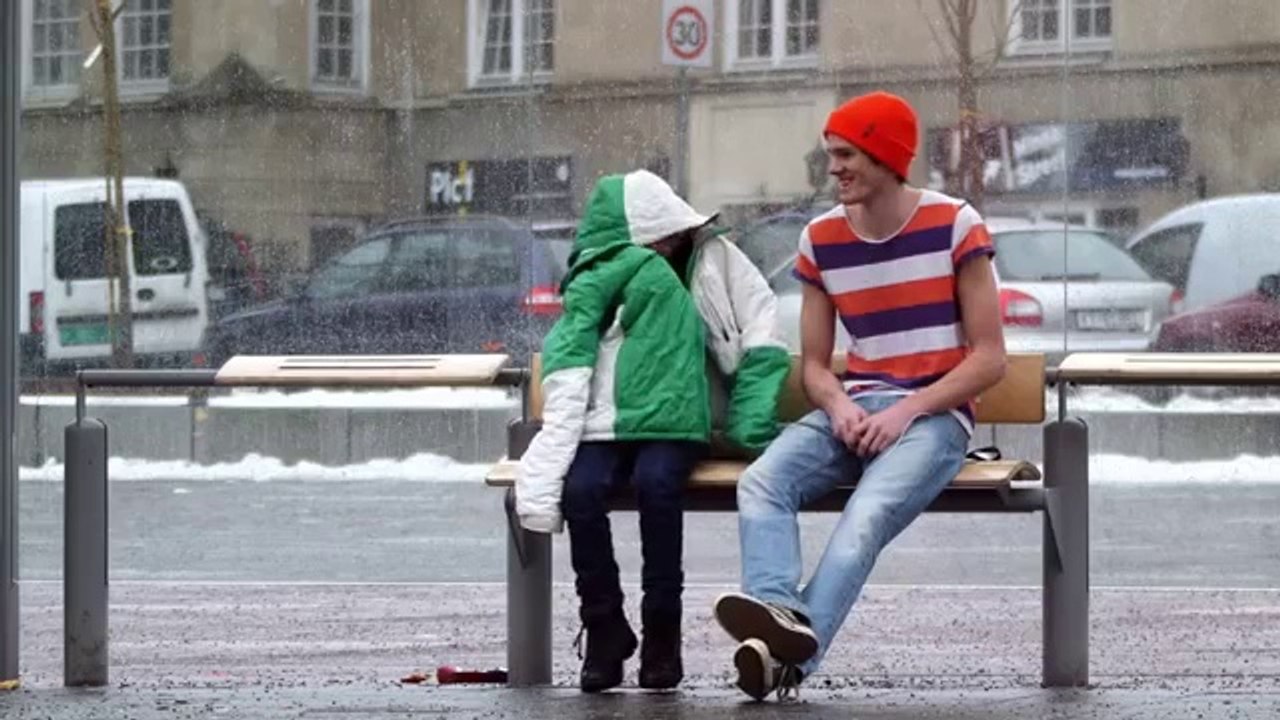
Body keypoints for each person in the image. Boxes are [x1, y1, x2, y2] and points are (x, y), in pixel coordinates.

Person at [712, 91, 1008, 701]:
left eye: (847, 155)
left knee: (864, 515)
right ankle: (777, 616)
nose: (835, 169)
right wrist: (843, 408)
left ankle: (786, 659)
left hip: (933, 420)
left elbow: (989, 359)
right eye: (831, 156)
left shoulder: (955, 225)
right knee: (761, 482)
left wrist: (906, 411)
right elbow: (816, 369)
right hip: (854, 413)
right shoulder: (820, 240)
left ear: (885, 155)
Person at [516, 169, 791, 692]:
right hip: (608, 419)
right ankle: (604, 626)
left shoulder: (717, 260)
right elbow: (571, 348)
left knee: (658, 484)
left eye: (671, 234)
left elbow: (762, 330)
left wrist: (748, 418)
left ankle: (662, 635)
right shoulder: (607, 274)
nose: (667, 244)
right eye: (656, 236)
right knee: (581, 490)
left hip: (687, 420)